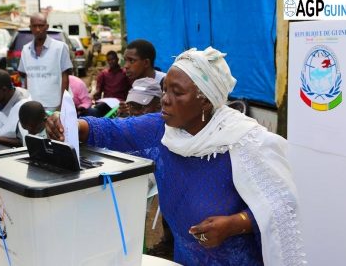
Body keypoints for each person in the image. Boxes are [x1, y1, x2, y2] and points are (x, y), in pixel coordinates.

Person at [47, 47, 304, 265]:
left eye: (177, 93)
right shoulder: (162, 128)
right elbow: (115, 130)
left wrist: (236, 223)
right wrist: (73, 126)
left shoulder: (244, 142)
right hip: (185, 258)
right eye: (164, 90)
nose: (165, 101)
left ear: (205, 101)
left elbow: (284, 205)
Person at [18, 13, 73, 112]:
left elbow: (65, 77)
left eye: (41, 26)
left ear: (47, 27)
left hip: (54, 104)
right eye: (34, 26)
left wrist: (61, 105)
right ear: (30, 28)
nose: (38, 29)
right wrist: (27, 101)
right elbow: (26, 76)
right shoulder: (25, 49)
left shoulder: (60, 47)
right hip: (33, 104)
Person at [89, 51, 131, 117]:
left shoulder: (125, 73)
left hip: (120, 102)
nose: (111, 61)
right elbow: (98, 91)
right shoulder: (104, 74)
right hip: (106, 102)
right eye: (109, 60)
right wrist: (94, 97)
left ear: (117, 59)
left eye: (113, 59)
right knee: (94, 110)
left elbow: (130, 88)